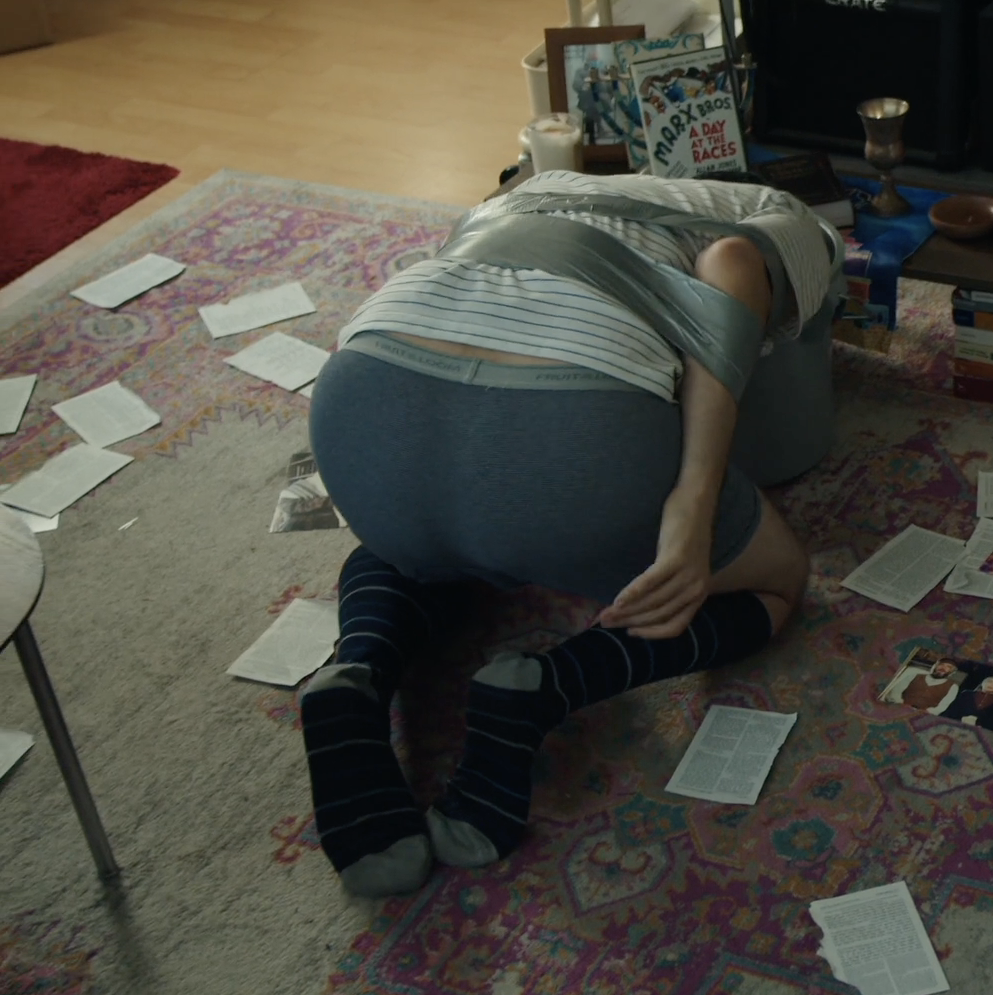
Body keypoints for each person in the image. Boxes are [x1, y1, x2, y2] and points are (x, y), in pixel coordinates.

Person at [298, 170, 839, 897]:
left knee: (418, 537)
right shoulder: (785, 220)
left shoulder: (519, 194)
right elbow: (733, 265)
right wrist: (693, 500)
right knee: (780, 578)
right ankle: (548, 687)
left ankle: (357, 670)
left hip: (360, 400)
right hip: (567, 430)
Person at [889, 658, 963, 713]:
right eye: (941, 665)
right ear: (935, 666)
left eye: (948, 667)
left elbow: (943, 706)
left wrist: (927, 711)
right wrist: (901, 703)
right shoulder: (915, 675)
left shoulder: (953, 687)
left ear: (951, 672)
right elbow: (896, 691)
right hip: (900, 708)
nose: (943, 668)